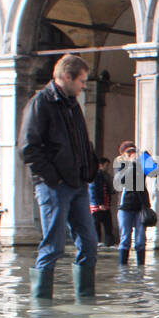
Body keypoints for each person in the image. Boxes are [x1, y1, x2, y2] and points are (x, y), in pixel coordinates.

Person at [19, 53, 98, 299]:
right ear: (67, 76)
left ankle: (85, 302)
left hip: (78, 184)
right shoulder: (40, 103)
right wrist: (54, 178)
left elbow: (82, 143)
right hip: (54, 186)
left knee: (90, 243)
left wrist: (89, 169)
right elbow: (28, 148)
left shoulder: (73, 104)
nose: (84, 85)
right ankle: (41, 307)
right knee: (53, 246)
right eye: (82, 80)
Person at [115, 141, 150, 266]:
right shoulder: (121, 165)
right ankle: (123, 267)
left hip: (141, 205)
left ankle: (141, 267)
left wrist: (146, 157)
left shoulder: (141, 163)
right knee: (125, 238)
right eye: (128, 152)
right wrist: (131, 165)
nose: (132, 154)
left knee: (140, 240)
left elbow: (155, 172)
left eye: (133, 151)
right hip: (126, 206)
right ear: (123, 154)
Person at [89, 157, 114, 247]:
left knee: (108, 226)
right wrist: (99, 203)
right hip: (98, 207)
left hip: (105, 205)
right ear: (100, 165)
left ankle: (108, 243)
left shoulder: (105, 175)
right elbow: (93, 190)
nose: (107, 167)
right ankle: (97, 243)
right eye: (106, 165)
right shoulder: (96, 175)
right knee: (97, 226)